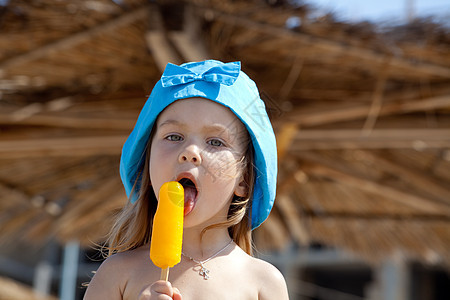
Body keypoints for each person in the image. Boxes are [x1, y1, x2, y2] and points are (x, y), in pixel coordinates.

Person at [84, 60, 289, 300]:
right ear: (147, 167)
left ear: (244, 180)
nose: (190, 151)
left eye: (215, 142)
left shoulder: (263, 282)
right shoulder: (116, 274)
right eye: (173, 136)